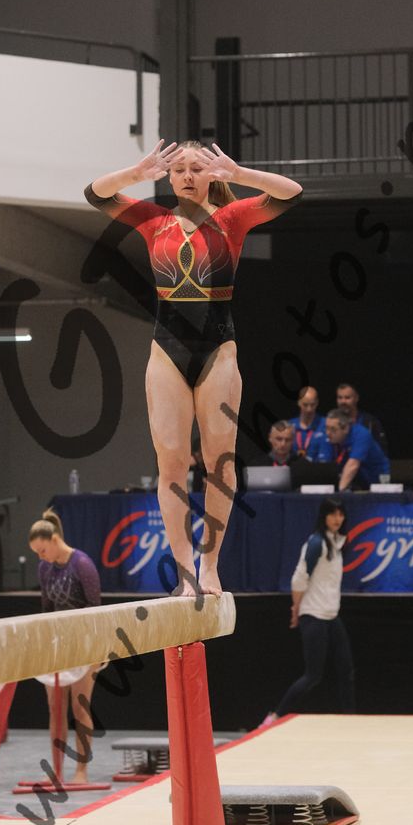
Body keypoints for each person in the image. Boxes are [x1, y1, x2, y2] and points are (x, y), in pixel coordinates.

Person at [86, 139, 302, 596]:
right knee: (171, 465)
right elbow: (96, 194)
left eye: (196, 168)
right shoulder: (153, 221)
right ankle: (184, 570)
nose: (187, 175)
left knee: (219, 463)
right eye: (179, 168)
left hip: (218, 350)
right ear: (168, 176)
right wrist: (136, 174)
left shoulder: (232, 219)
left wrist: (239, 174)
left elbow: (290, 193)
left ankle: (210, 565)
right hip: (167, 351)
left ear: (211, 176)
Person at [259, 497, 355, 725]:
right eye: (332, 514)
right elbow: (298, 579)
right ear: (324, 516)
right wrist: (296, 610)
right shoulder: (316, 543)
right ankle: (274, 716)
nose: (337, 519)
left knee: (346, 670)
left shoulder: (337, 543)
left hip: (331, 615)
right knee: (313, 676)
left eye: (340, 514)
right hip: (313, 615)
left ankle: (351, 720)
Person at [29, 510, 102, 784]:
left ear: (55, 539)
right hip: (57, 645)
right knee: (56, 709)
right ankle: (57, 771)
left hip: (85, 643)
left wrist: (96, 652)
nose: (41, 557)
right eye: (36, 553)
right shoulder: (44, 568)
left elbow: (95, 608)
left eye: (42, 550)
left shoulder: (81, 563)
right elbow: (47, 610)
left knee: (79, 708)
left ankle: (81, 771)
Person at [323, 408, 390, 490]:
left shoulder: (361, 435)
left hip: (377, 480)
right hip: (355, 480)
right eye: (326, 428)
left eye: (333, 429)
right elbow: (326, 465)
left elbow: (353, 465)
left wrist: (338, 493)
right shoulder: (330, 438)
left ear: (346, 428)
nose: (328, 433)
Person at [335, 383, 389, 455]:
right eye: (340, 398)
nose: (343, 401)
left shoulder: (370, 423)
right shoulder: (331, 423)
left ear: (356, 398)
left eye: (347, 398)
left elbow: (382, 452)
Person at [288, 386, 329, 460]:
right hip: (294, 466)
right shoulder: (289, 426)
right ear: (299, 402)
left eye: (312, 405)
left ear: (317, 403)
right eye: (305, 405)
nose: (309, 409)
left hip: (319, 466)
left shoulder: (326, 424)